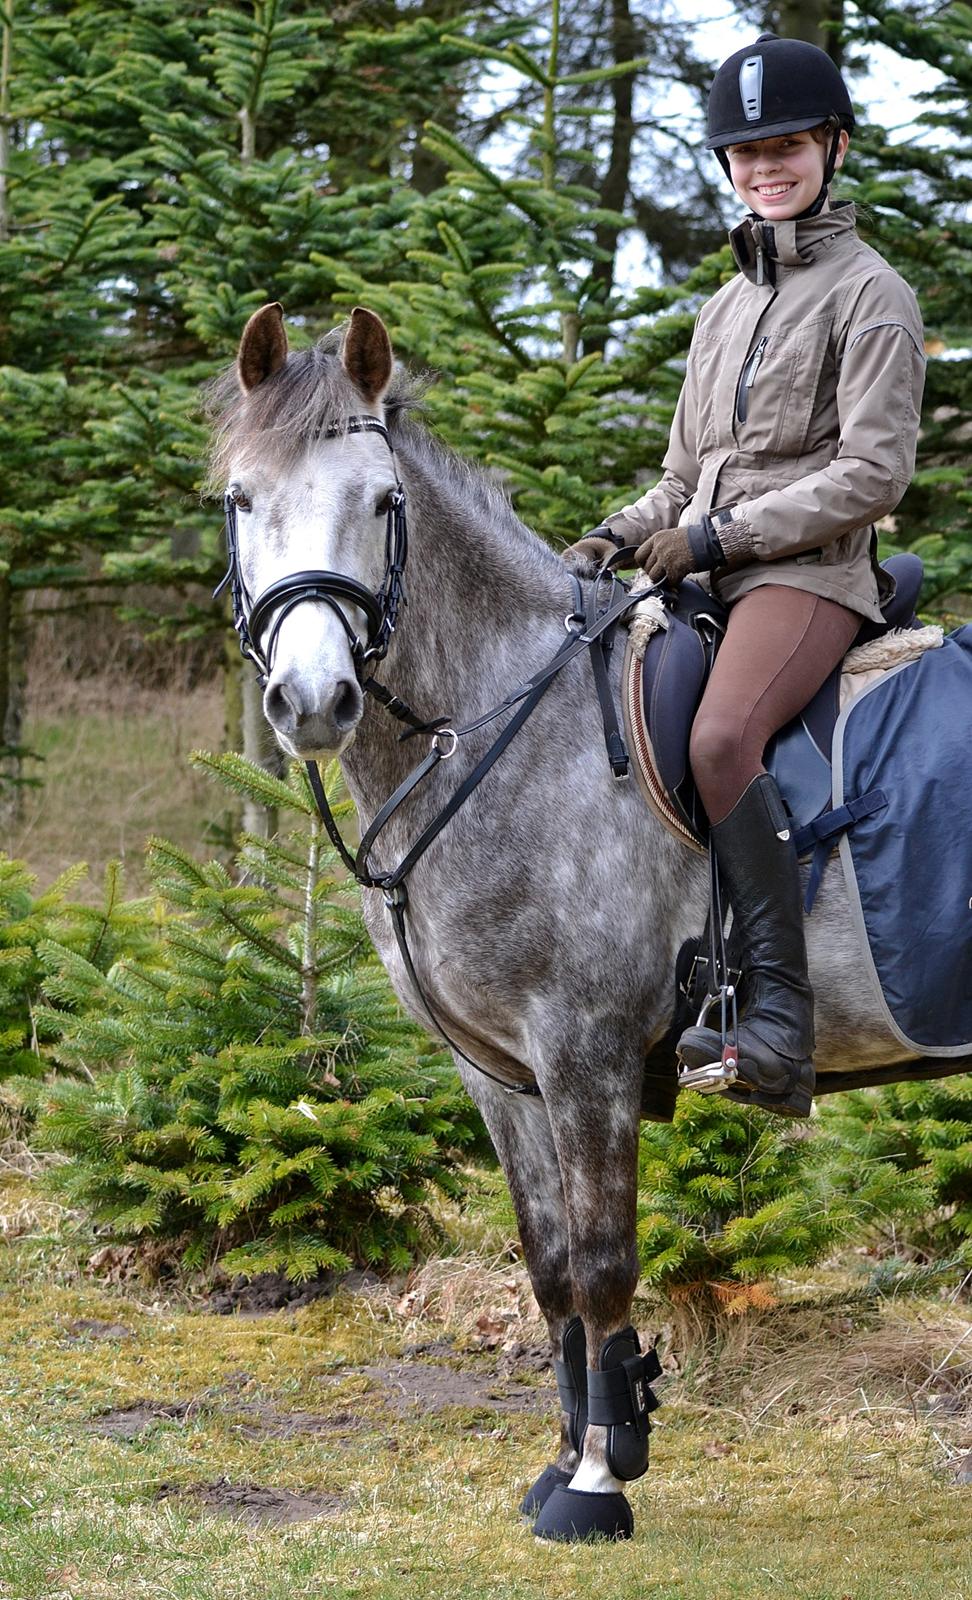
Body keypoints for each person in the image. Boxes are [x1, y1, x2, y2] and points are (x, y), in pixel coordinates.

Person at [564, 32, 926, 1116]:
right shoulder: (723, 308)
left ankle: (779, 1020)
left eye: (788, 146)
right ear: (727, 166)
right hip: (713, 571)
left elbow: (873, 471)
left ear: (833, 147)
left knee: (722, 740)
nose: (768, 166)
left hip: (812, 577)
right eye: (747, 151)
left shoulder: (873, 295)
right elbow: (683, 472)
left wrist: (721, 540)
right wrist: (611, 537)